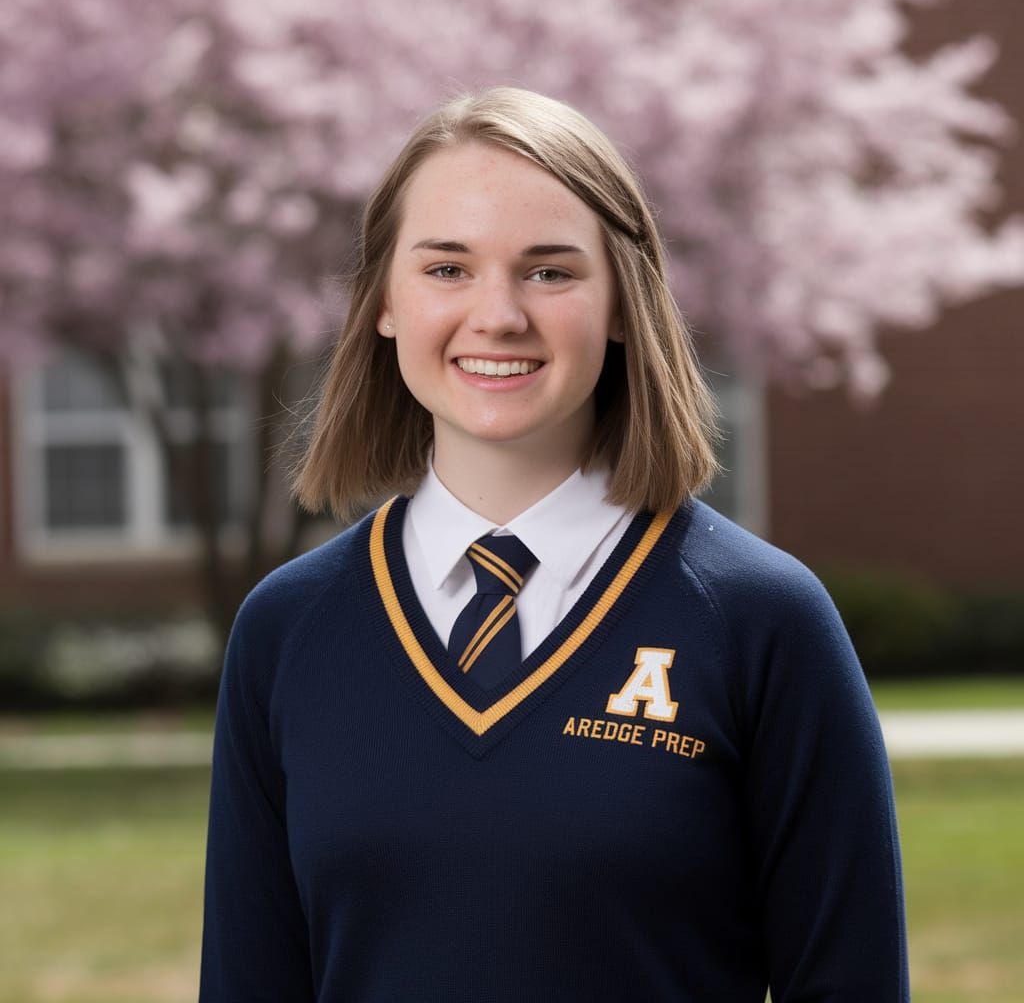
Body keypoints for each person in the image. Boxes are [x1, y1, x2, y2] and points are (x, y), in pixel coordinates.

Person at [199, 87, 909, 1002]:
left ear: (622, 305)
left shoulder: (759, 618)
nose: (497, 316)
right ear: (382, 302)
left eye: (549, 272)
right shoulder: (287, 631)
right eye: (446, 269)